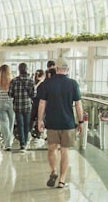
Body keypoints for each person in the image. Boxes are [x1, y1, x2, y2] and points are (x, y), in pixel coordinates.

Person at [36, 58, 84, 189]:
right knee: (65, 151)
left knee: (52, 149)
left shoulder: (47, 83)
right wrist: (80, 121)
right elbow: (78, 104)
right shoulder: (73, 84)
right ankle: (62, 181)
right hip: (68, 123)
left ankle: (53, 171)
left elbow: (42, 103)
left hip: (51, 122)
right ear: (67, 70)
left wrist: (40, 120)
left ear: (56, 69)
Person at [8, 62, 36, 151]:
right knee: (27, 124)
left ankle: (22, 143)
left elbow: (10, 94)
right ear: (26, 69)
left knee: (20, 124)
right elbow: (34, 94)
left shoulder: (14, 81)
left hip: (17, 106)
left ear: (19, 70)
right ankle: (26, 141)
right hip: (27, 106)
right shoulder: (31, 80)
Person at [0, 64, 15, 150]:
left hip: (1, 103)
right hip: (11, 103)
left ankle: (7, 144)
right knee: (11, 123)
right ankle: (9, 142)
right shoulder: (12, 81)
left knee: (4, 123)